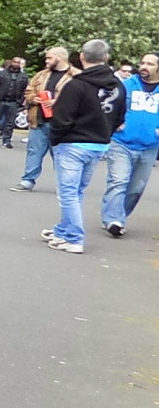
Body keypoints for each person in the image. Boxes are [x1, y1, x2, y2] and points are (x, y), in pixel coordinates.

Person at [42, 39, 126, 254]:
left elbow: (62, 118)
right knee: (76, 191)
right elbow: (120, 117)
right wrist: (105, 132)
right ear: (106, 58)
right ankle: (63, 230)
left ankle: (74, 237)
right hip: (98, 145)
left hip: (72, 143)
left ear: (81, 56)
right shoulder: (118, 86)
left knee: (68, 192)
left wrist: (55, 138)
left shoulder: (77, 84)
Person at [100, 52, 159, 237]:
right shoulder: (127, 85)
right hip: (122, 143)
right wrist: (114, 123)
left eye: (150, 64)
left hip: (149, 146)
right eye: (142, 62)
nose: (144, 66)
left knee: (136, 188)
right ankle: (113, 220)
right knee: (118, 181)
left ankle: (119, 216)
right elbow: (108, 105)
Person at [14, 47, 77, 191]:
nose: (46, 60)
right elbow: (28, 91)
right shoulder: (41, 75)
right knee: (34, 151)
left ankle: (65, 184)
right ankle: (28, 180)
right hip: (39, 120)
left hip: (62, 123)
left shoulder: (75, 76)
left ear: (59, 58)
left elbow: (81, 99)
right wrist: (32, 98)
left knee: (61, 156)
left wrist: (58, 102)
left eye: (49, 58)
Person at [0, 57, 27, 148]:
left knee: (9, 123)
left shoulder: (23, 77)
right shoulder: (2, 74)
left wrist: (20, 102)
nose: (16, 64)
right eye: (15, 62)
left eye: (18, 63)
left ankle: (6, 140)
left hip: (13, 102)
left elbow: (24, 90)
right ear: (11, 62)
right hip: (0, 101)